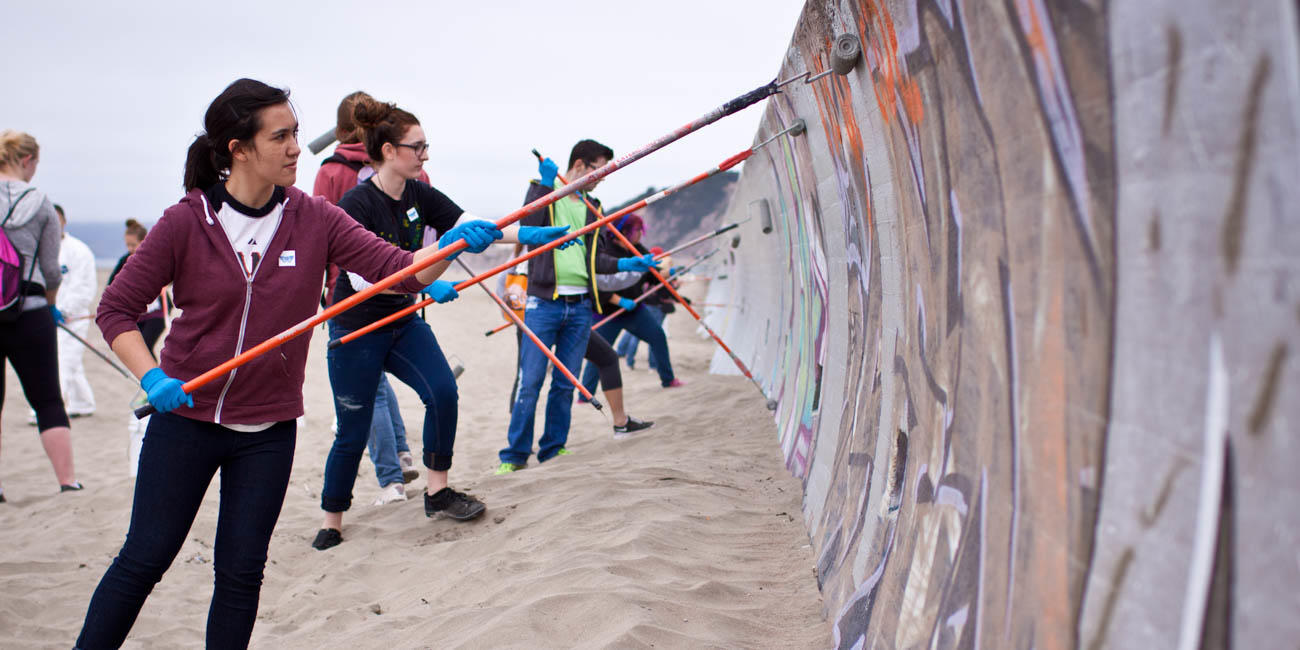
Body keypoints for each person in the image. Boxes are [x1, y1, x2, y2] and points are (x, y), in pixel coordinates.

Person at [77, 78, 500, 647]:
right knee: (144, 560)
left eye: (297, 133)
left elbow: (395, 268)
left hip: (269, 428)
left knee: (241, 574)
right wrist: (152, 376)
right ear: (239, 148)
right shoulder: (186, 221)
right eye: (281, 136)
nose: (298, 147)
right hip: (186, 421)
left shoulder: (315, 216)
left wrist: (449, 246)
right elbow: (117, 310)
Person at [315, 95, 573, 549]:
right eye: (417, 146)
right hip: (356, 325)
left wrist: (526, 232)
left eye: (425, 145)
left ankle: (438, 493)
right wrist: (426, 278)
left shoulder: (418, 194)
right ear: (389, 151)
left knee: (442, 391)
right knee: (353, 428)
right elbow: (361, 281)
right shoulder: (356, 204)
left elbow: (467, 222)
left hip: (402, 321)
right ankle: (332, 519)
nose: (425, 155)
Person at [496, 140, 658, 474]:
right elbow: (529, 229)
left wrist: (628, 263)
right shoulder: (546, 190)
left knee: (565, 383)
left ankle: (553, 448)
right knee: (530, 381)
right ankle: (514, 456)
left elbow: (593, 257)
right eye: (599, 169)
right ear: (581, 165)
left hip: (581, 306)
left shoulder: (590, 204)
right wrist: (543, 186)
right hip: (542, 304)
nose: (602, 177)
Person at [313, 90, 423, 505]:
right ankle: (400, 448)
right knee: (376, 381)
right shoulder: (395, 165)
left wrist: (321, 292)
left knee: (369, 390)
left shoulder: (333, 172)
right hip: (403, 284)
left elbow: (317, 237)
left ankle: (390, 478)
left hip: (352, 294)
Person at [0, 129, 82, 503]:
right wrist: (50, 304)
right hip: (29, 310)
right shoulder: (41, 203)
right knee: (47, 399)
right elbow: (51, 270)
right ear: (28, 160)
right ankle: (67, 482)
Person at [580, 212, 684, 397]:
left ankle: (668, 379)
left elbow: (653, 273)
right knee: (599, 354)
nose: (640, 234)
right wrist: (619, 300)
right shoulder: (605, 250)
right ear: (624, 231)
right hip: (607, 313)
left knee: (658, 337)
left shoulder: (638, 249)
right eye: (637, 230)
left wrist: (668, 273)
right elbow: (596, 283)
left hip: (635, 311)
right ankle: (585, 395)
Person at [54, 204, 98, 417]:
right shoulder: (43, 247)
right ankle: (83, 403)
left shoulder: (79, 251)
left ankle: (50, 409)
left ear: (64, 221)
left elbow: (84, 287)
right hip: (49, 317)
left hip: (73, 318)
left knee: (63, 362)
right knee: (71, 364)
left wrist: (63, 310)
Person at [107, 218, 167, 359]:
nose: (130, 249)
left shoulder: (154, 258)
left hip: (156, 314)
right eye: (128, 245)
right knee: (138, 350)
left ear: (144, 241)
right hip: (137, 315)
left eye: (133, 245)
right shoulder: (124, 261)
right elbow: (111, 284)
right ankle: (149, 378)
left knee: (146, 346)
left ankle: (155, 378)